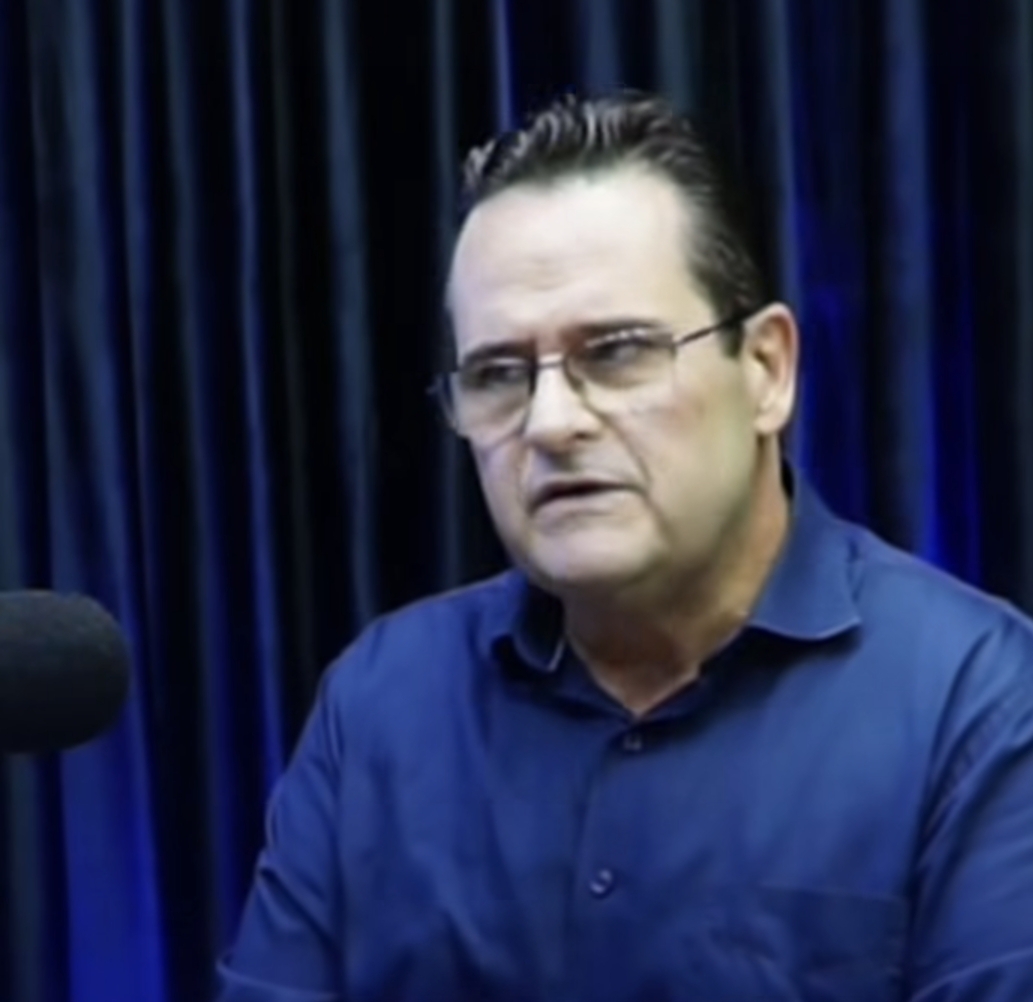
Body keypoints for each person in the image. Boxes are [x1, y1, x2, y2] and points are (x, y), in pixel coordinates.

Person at [216, 92, 1033, 1001]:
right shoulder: (379, 704)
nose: (550, 422)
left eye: (614, 353)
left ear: (766, 371)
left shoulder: (975, 703)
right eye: (498, 374)